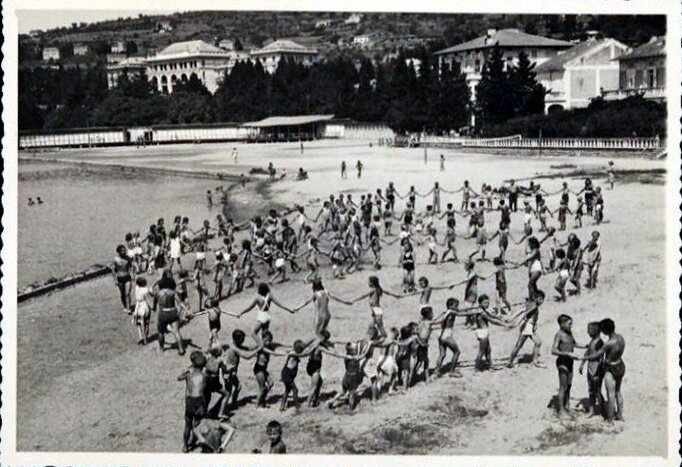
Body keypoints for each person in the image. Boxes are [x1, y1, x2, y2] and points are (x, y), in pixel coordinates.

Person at [579, 318, 625, 421]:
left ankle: (609, 418)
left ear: (604, 331)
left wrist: (584, 359)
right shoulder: (620, 338)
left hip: (611, 367)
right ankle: (620, 414)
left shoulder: (609, 343)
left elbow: (597, 354)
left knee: (611, 394)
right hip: (620, 364)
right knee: (618, 392)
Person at [551, 314, 584, 416]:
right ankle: (561, 410)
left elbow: (574, 344)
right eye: (569, 324)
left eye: (571, 324)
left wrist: (585, 346)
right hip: (562, 362)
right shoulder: (559, 334)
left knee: (569, 385)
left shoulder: (569, 333)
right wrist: (567, 354)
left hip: (570, 362)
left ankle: (566, 404)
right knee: (563, 386)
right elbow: (553, 350)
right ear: (562, 324)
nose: (571, 326)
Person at [178, 351, 208, 452]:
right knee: (197, 424)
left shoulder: (188, 375)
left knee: (187, 425)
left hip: (190, 400)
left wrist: (185, 370)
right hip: (200, 400)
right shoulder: (205, 375)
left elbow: (179, 377)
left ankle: (185, 446)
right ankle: (196, 440)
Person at [507, 292, 545, 367]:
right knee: (519, 345)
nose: (542, 301)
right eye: (540, 299)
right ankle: (510, 362)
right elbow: (524, 315)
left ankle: (534, 361)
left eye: (543, 299)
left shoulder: (530, 304)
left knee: (538, 342)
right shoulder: (534, 306)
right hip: (527, 327)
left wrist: (511, 318)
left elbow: (521, 311)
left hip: (529, 327)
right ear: (535, 298)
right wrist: (516, 323)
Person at [156, 271, 186, 355]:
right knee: (176, 331)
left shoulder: (159, 293)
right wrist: (187, 310)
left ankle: (161, 348)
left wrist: (156, 281)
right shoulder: (173, 292)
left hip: (163, 312)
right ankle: (181, 349)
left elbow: (151, 291)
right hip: (173, 311)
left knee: (161, 331)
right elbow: (180, 303)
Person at [578, 322, 604, 417]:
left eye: (589, 330)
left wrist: (597, 372)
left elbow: (601, 358)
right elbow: (588, 352)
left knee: (597, 391)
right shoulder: (592, 340)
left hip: (596, 368)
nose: (587, 332)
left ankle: (603, 411)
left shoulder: (599, 342)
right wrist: (582, 364)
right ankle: (592, 410)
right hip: (590, 367)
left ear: (595, 331)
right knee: (591, 390)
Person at [112, 245, 133, 313]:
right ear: (119, 252)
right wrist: (115, 280)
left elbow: (131, 267)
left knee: (127, 293)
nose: (124, 252)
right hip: (120, 278)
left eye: (124, 250)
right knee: (122, 293)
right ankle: (125, 306)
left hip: (127, 277)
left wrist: (132, 274)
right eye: (122, 251)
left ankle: (128, 308)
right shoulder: (116, 260)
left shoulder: (128, 258)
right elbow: (113, 270)